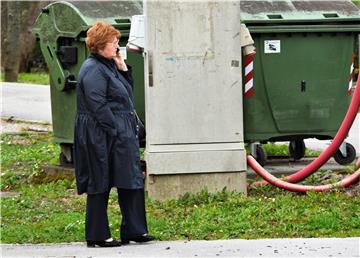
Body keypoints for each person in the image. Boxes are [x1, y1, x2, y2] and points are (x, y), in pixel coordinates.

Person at [74, 21, 155, 248]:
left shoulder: (109, 65)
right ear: (100, 45)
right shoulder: (92, 69)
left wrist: (122, 67)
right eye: (113, 42)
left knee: (131, 177)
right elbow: (97, 105)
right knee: (100, 181)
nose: (117, 46)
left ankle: (135, 230)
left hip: (120, 131)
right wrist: (115, 129)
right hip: (101, 133)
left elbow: (125, 94)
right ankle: (98, 235)